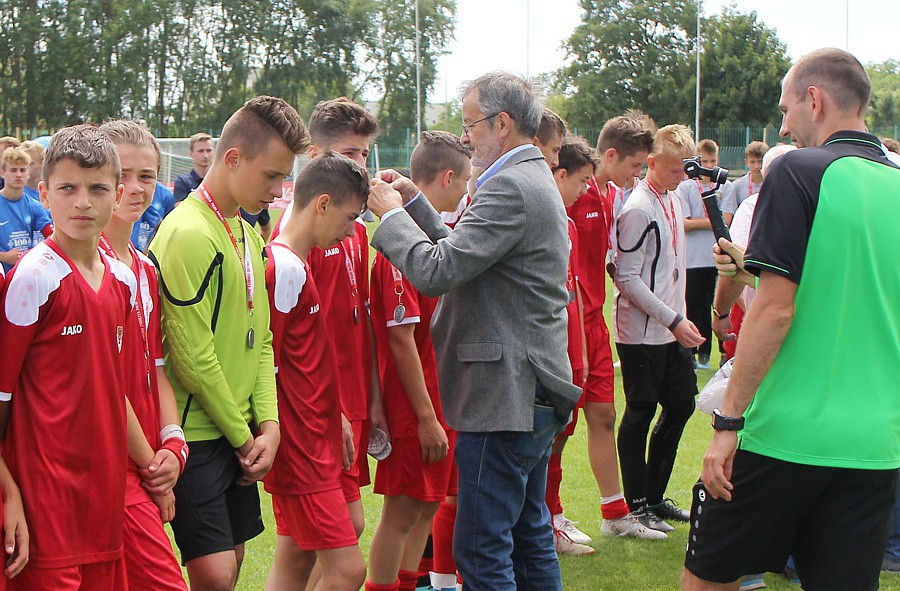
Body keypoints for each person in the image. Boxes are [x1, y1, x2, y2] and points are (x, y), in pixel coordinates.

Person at [682, 48, 899, 591]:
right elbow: (854, 291)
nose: (782, 125)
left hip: (783, 433)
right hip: (874, 444)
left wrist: (728, 424)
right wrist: (754, 275)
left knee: (707, 580)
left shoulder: (798, 171)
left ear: (815, 100)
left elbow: (778, 310)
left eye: (785, 109)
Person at [367, 71, 581, 591]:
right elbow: (471, 254)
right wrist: (418, 202)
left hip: (504, 396)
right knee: (529, 535)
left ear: (502, 123)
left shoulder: (510, 184)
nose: (464, 137)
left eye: (470, 125)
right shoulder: (528, 177)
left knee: (481, 547)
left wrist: (392, 219)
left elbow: (439, 270)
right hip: (526, 391)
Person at [149, 96, 308, 590]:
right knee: (216, 574)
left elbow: (261, 341)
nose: (280, 191)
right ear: (233, 158)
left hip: (238, 432)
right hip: (195, 432)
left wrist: (270, 425)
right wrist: (246, 439)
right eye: (272, 177)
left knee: (233, 563)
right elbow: (192, 360)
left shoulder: (247, 233)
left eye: (285, 178)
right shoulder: (187, 232)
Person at [0, 124, 150, 588]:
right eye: (68, 188)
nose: (82, 202)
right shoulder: (32, 279)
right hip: (44, 503)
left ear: (117, 193)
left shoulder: (123, 281)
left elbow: (112, 388)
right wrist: (8, 496)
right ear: (44, 194)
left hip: (102, 504)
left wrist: (150, 465)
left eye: (97, 188)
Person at [275, 97, 384, 548]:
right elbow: (278, 343)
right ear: (316, 157)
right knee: (326, 538)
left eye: (364, 154)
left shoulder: (353, 229)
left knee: (315, 542)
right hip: (318, 406)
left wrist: (373, 397)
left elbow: (362, 317)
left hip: (351, 399)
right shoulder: (306, 232)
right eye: (349, 154)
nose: (360, 164)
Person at [366, 132, 470, 591]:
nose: (466, 190)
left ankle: (410, 583)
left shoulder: (428, 239)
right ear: (448, 177)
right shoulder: (397, 248)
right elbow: (401, 342)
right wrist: (426, 419)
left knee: (426, 507)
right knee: (402, 511)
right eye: (464, 180)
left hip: (439, 398)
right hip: (415, 405)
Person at [263, 153, 370, 591]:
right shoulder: (284, 267)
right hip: (301, 447)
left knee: (294, 563)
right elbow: (263, 366)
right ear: (322, 204)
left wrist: (335, 416)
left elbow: (302, 360)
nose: (351, 231)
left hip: (313, 437)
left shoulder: (296, 262)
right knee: (348, 571)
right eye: (348, 218)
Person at [568, 113, 667, 542]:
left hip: (596, 321)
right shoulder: (573, 190)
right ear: (610, 155)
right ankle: (550, 517)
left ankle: (614, 513)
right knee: (560, 426)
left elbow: (602, 257)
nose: (638, 175)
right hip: (570, 321)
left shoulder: (610, 193)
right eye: (635, 165)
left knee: (604, 414)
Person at [98, 119, 188, 591]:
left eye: (147, 176)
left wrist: (173, 443)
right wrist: (154, 465)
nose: (133, 188)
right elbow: (106, 386)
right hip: (107, 466)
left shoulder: (144, 266)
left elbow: (155, 367)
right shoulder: (83, 267)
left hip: (144, 461)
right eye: (121, 174)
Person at [614, 124, 704, 535]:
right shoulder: (637, 208)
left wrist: (678, 317)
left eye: (684, 169)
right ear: (650, 163)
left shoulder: (671, 196)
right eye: (673, 170)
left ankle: (654, 497)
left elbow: (669, 270)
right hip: (642, 334)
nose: (681, 177)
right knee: (640, 412)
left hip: (670, 329)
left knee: (682, 404)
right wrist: (673, 318)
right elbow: (627, 280)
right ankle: (636, 506)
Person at [543, 135, 599, 555]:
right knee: (544, 441)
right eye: (581, 181)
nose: (585, 190)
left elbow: (572, 294)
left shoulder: (568, 224)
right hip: (543, 354)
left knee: (560, 436)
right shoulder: (541, 220)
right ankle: (547, 521)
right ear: (558, 174)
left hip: (568, 350)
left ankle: (551, 517)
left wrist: (577, 355)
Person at [713, 144, 796, 363]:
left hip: (765, 321)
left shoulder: (752, 207)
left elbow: (733, 269)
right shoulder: (820, 207)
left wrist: (721, 313)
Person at [679, 139, 737, 369]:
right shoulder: (685, 187)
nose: (709, 166)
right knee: (695, 306)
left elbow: (728, 220)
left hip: (719, 255)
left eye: (713, 161)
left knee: (722, 304)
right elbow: (685, 223)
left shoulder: (726, 186)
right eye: (704, 161)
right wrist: (714, 220)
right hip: (693, 259)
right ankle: (698, 352)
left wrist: (699, 222)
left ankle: (725, 351)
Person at [0, 147, 53, 273]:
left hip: (24, 273)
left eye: (22, 170)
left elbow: (51, 235)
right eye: (13, 170)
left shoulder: (34, 206)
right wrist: (4, 256)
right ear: (2, 173)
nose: (18, 175)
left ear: (28, 173)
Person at [173, 132, 214, 203]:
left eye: (209, 151)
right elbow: (180, 208)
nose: (205, 155)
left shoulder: (220, 180)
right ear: (191, 154)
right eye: (201, 151)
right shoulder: (183, 182)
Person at [730, 141, 768, 210]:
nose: (756, 166)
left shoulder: (771, 184)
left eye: (760, 161)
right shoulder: (737, 186)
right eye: (752, 162)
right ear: (746, 162)